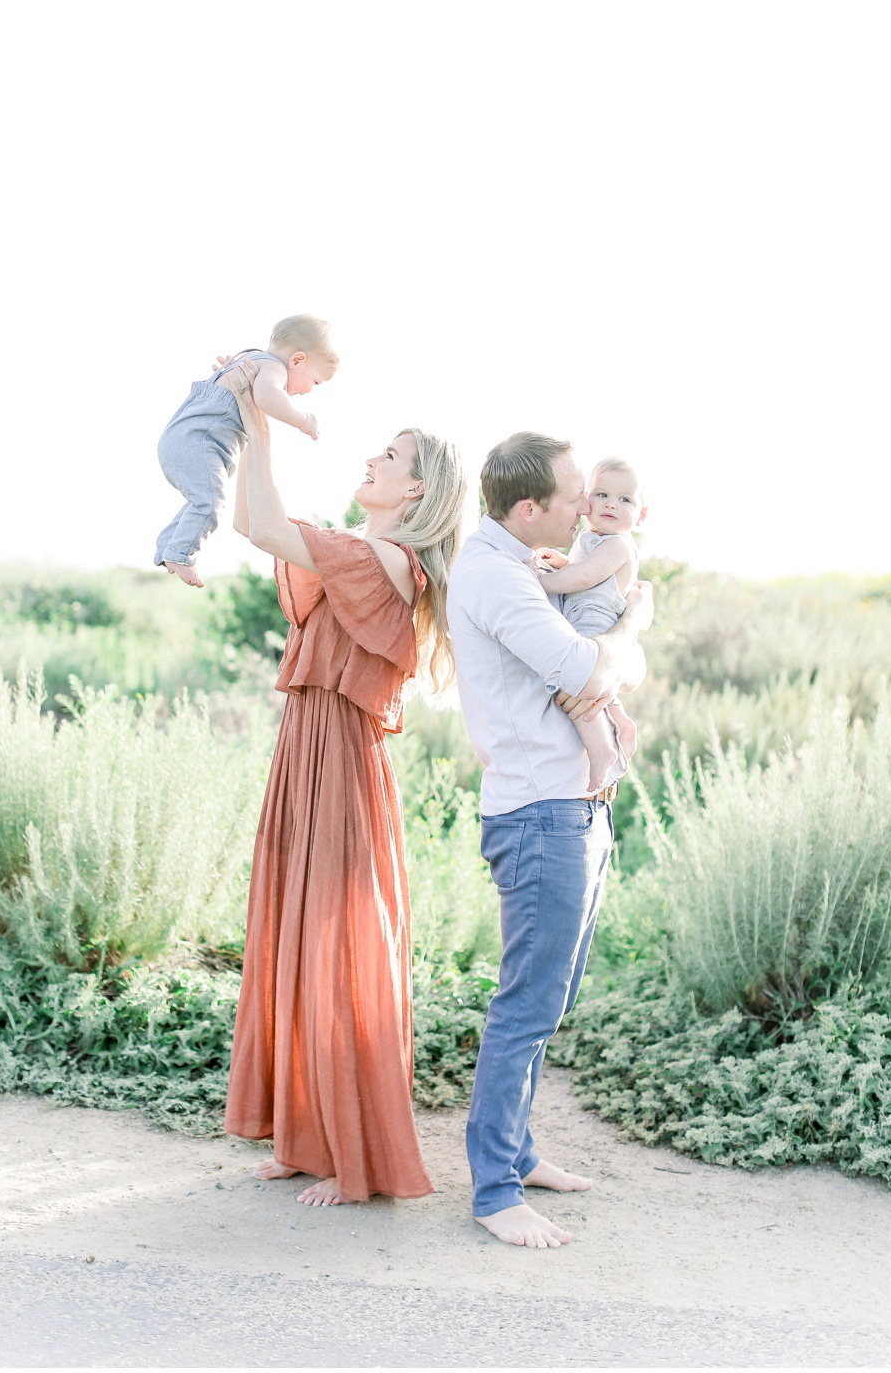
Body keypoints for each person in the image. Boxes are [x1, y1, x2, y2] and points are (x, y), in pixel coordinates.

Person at [221, 355, 467, 1207]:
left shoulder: (389, 560)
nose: (373, 460)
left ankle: (351, 1155)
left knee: (337, 947)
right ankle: (305, 1134)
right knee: (296, 936)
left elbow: (264, 530)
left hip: (341, 761)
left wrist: (262, 414)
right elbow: (259, 518)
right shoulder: (366, 548)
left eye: (391, 457)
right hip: (306, 751)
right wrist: (252, 416)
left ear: (417, 492)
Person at [446, 432, 654, 1248]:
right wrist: (632, 627)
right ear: (530, 507)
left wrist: (618, 644)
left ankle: (518, 1154)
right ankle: (495, 1191)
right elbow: (588, 672)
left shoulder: (530, 566)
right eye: (574, 497)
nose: (586, 511)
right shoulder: (497, 575)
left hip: (573, 804)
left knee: (551, 999)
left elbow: (600, 668)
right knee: (527, 1005)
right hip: (539, 812)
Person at [154, 314, 338, 588]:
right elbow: (266, 397)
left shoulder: (249, 358)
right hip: (197, 442)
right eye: (315, 381)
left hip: (181, 439)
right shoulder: (275, 368)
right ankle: (182, 554)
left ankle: (169, 549)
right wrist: (302, 420)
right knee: (212, 502)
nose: (310, 391)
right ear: (297, 360)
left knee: (200, 501)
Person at [535, 458, 649, 793]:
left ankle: (601, 751)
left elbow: (584, 576)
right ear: (586, 500)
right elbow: (580, 566)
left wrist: (542, 580)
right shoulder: (591, 538)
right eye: (601, 494)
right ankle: (619, 723)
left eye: (625, 499)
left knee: (575, 688)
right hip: (584, 622)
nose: (611, 503)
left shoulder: (618, 545)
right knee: (587, 692)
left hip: (595, 628)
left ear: (642, 514)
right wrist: (562, 563)